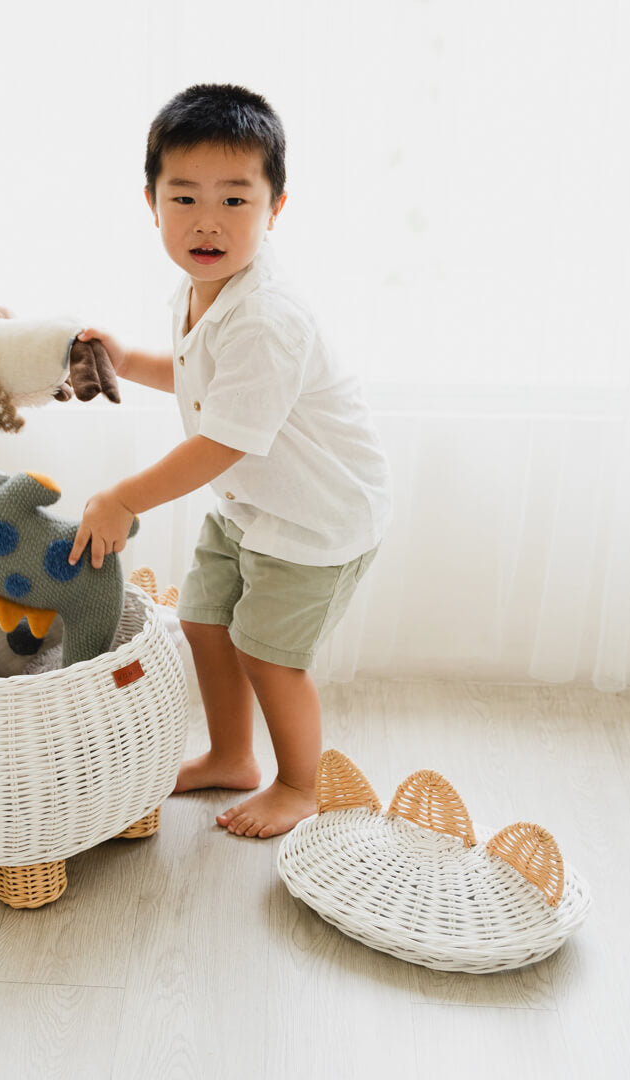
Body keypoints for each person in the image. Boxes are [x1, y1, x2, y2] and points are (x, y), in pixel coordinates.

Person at [67, 84, 391, 838]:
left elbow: (224, 441)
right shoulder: (201, 288)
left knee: (269, 653)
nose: (207, 220)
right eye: (183, 198)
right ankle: (229, 755)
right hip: (253, 507)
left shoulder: (267, 317)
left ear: (276, 207)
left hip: (318, 517)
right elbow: (195, 376)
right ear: (151, 202)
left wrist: (123, 498)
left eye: (236, 201)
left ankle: (301, 785)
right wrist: (126, 357)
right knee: (206, 623)